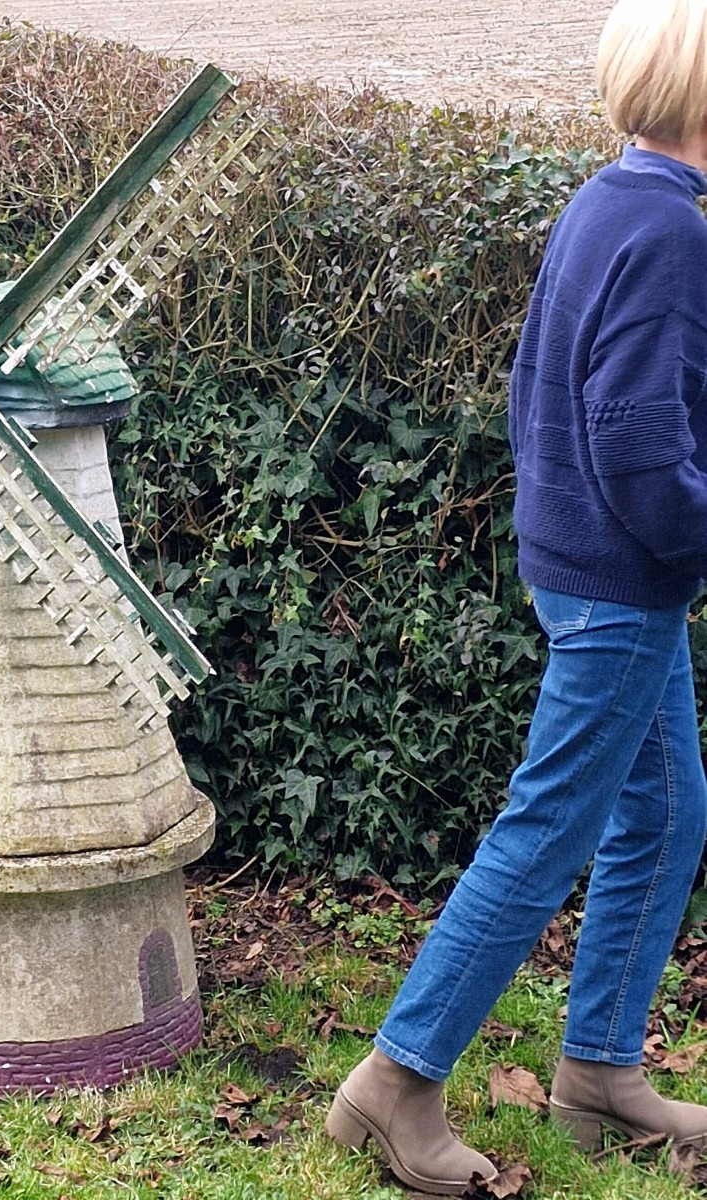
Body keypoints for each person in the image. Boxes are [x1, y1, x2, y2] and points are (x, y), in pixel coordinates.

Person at [324, 0, 707, 1193]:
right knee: (549, 829)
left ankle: (595, 1072)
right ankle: (393, 1085)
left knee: (666, 810)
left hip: (583, 568)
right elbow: (640, 439)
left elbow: (542, 386)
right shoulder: (672, 236)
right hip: (619, 581)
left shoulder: (610, 202)